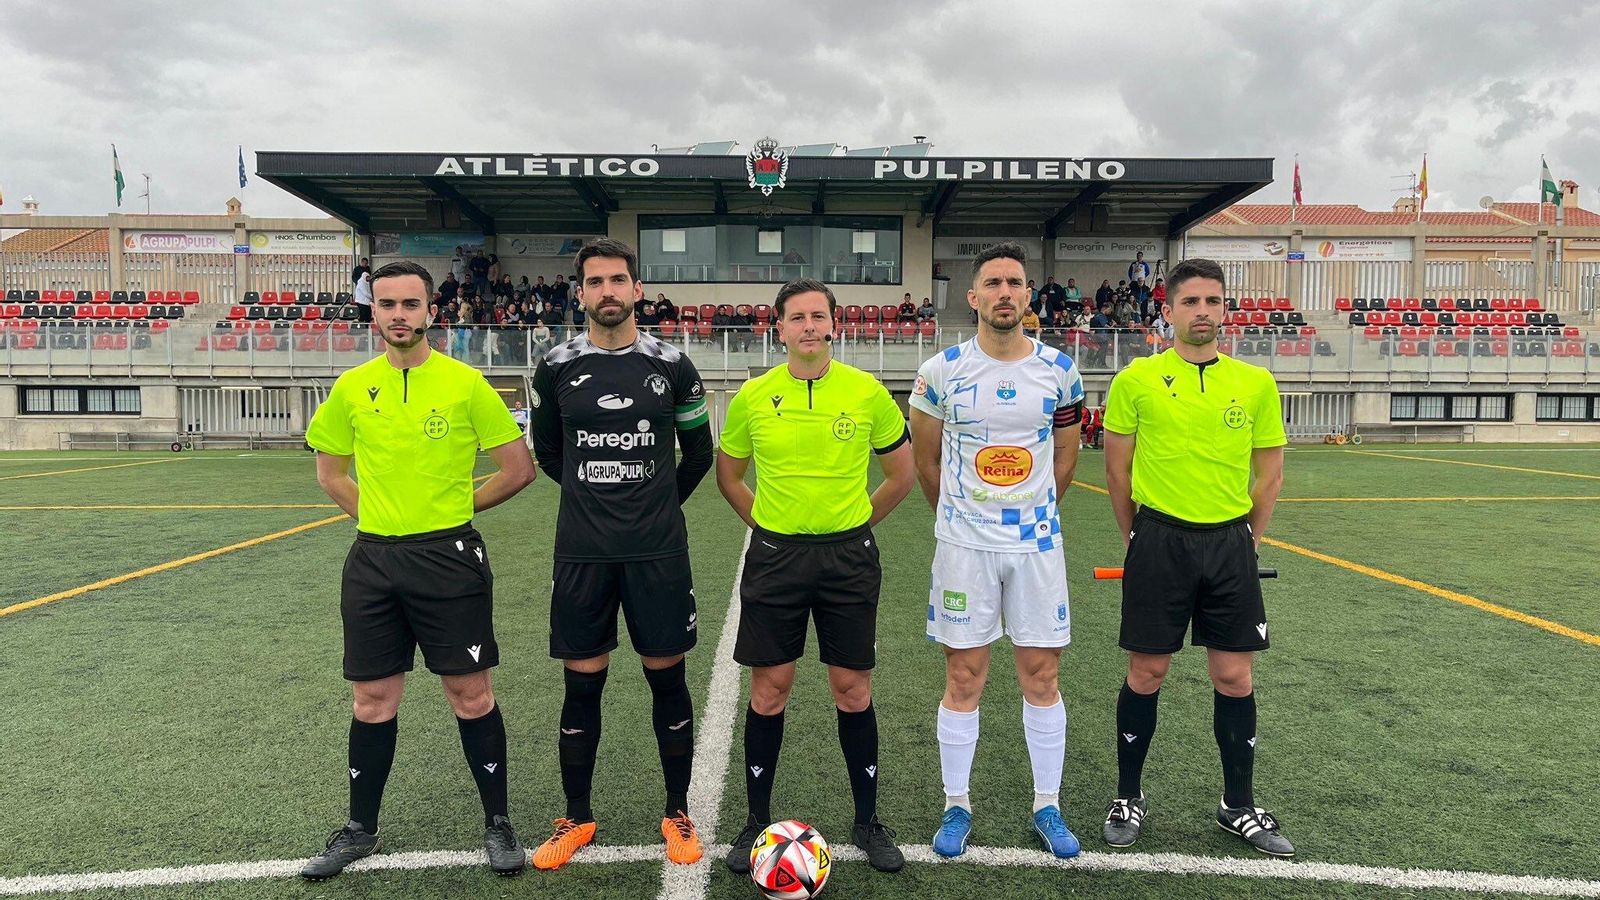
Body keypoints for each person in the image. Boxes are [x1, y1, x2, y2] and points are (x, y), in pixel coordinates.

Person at [299, 260, 536, 880]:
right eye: (387, 304)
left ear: (432, 311)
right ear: (372, 311)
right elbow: (330, 473)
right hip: (374, 560)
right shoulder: (351, 387)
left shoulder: (466, 385)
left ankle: (498, 822)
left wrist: (453, 510)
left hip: (448, 558)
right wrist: (379, 518)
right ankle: (359, 830)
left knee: (471, 694)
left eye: (410, 303)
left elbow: (518, 469)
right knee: (372, 699)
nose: (398, 314)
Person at [716, 278, 916, 875]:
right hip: (776, 560)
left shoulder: (867, 391)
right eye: (796, 317)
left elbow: (900, 476)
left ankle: (867, 820)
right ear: (778, 327)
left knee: (851, 688)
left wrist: (853, 525)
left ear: (835, 324)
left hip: (848, 560)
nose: (808, 326)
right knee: (769, 687)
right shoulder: (753, 395)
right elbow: (729, 477)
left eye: (818, 317)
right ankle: (755, 821)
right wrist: (772, 527)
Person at [528, 238, 715, 870]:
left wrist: (656, 503)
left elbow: (701, 456)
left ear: (637, 289)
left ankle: (678, 812)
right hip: (582, 552)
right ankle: (576, 818)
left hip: (657, 552)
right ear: (579, 293)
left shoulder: (674, 364)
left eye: (618, 280)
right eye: (595, 281)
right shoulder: (554, 366)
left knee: (668, 677)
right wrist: (594, 498)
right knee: (582, 685)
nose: (607, 291)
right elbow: (549, 453)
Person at [1100, 257, 1291, 857]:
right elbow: (1117, 470)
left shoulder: (1256, 383)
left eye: (1213, 300)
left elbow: (1269, 474)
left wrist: (1249, 541)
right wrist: (1139, 539)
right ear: (1169, 310)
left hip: (1230, 543)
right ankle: (1129, 795)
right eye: (1190, 301)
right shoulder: (1136, 379)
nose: (1202, 311)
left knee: (1234, 676)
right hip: (1159, 540)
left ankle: (1238, 805)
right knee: (1146, 672)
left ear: (1225, 309)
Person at [909, 242, 1086, 861]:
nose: (1005, 292)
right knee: (964, 676)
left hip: (1036, 546)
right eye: (994, 283)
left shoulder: (1060, 370)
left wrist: (1035, 512)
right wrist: (961, 520)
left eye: (1015, 282)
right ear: (974, 296)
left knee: (1042, 675)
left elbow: (1067, 455)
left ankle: (1048, 805)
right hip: (964, 547)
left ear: (1028, 294)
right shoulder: (940, 372)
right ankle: (957, 804)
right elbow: (926, 462)